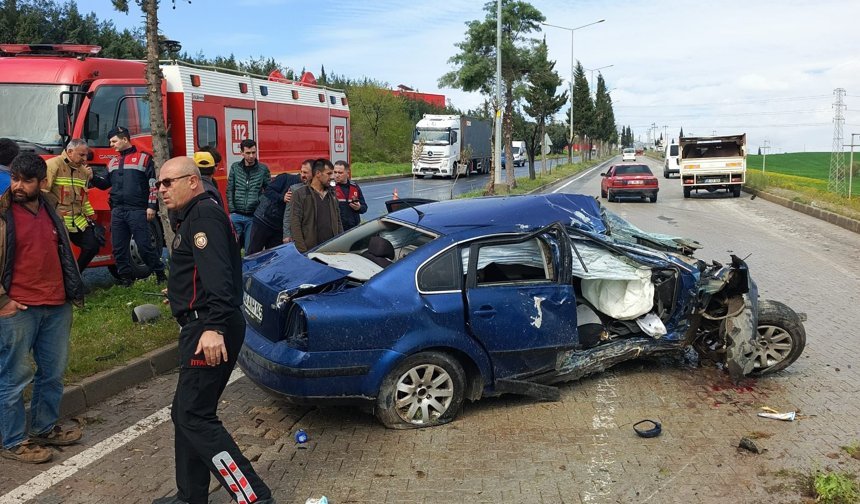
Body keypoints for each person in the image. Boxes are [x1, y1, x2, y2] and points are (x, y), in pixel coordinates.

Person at [155, 156, 275, 504]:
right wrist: (178, 293)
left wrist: (213, 327)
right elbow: (202, 272)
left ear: (192, 181)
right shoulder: (193, 215)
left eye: (168, 182)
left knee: (195, 415)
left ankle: (254, 497)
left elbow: (221, 279)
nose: (161, 189)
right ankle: (190, 496)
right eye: (159, 183)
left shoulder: (203, 215)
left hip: (208, 328)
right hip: (202, 321)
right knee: (184, 413)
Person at [0, 153, 85, 464]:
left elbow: (61, 250)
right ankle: (13, 442)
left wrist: (70, 292)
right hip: (18, 309)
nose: (18, 186)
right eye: (15, 179)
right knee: (13, 377)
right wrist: (2, 301)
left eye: (26, 180)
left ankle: (43, 428)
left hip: (56, 305)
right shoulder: (3, 212)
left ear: (43, 181)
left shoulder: (50, 207)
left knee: (52, 373)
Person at [91, 126, 166, 286]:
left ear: (125, 139)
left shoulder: (144, 159)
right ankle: (126, 279)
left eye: (114, 141)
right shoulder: (112, 162)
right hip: (118, 211)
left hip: (138, 210)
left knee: (144, 246)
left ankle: (160, 273)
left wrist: (152, 206)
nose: (111, 144)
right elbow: (104, 184)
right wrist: (92, 177)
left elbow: (153, 184)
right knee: (118, 248)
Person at [44, 139, 100, 272]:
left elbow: (84, 198)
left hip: (78, 220)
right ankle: (67, 283)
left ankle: (75, 276)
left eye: (86, 155)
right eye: (81, 155)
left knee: (92, 246)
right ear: (70, 151)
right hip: (58, 220)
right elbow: (44, 193)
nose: (85, 159)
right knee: (59, 254)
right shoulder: (53, 165)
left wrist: (92, 217)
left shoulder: (84, 172)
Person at [289, 158, 342, 253]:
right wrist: (302, 251)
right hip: (311, 251)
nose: (332, 177)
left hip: (332, 250)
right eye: (329, 173)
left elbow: (338, 221)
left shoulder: (332, 194)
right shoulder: (300, 194)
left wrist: (341, 244)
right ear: (318, 174)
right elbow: (295, 224)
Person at [226, 139, 269, 252]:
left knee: (250, 250)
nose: (251, 156)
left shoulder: (263, 169)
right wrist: (232, 210)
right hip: (236, 215)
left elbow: (268, 191)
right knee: (232, 249)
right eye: (248, 153)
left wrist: (260, 206)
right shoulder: (235, 167)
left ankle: (248, 269)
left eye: (253, 152)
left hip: (253, 217)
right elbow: (230, 189)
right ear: (242, 153)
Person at [246, 170, 300, 254]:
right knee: (253, 252)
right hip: (263, 220)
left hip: (279, 227)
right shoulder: (285, 178)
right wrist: (282, 197)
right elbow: (268, 191)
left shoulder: (306, 188)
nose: (305, 176)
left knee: (273, 256)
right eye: (304, 172)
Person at [282, 159, 312, 244]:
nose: (302, 175)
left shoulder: (323, 190)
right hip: (299, 236)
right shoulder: (294, 189)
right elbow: (288, 214)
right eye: (301, 172)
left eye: (305, 172)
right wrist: (286, 235)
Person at [332, 160, 367, 230]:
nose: (337, 175)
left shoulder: (354, 187)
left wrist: (359, 208)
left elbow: (364, 207)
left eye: (340, 173)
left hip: (353, 228)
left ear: (347, 173)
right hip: (337, 229)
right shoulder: (330, 187)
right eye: (335, 172)